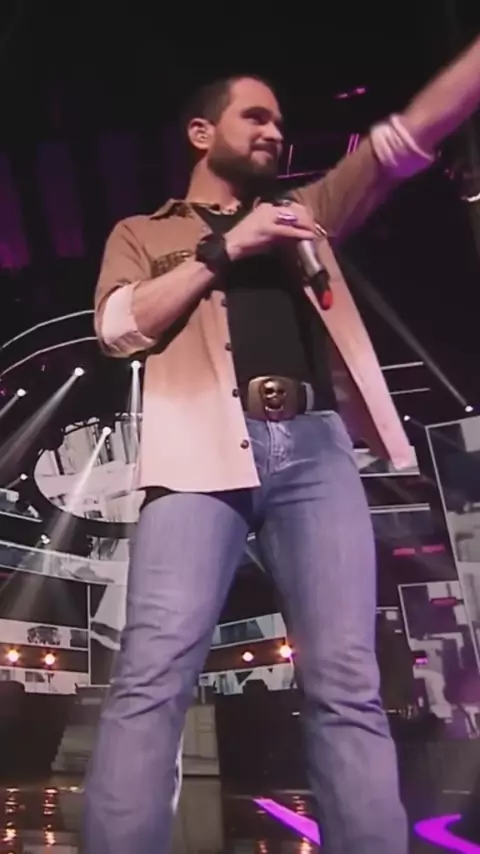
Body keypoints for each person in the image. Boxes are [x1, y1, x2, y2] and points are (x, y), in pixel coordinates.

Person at [84, 36, 480, 854]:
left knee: (348, 683)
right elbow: (118, 327)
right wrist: (226, 248)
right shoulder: (142, 230)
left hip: (315, 452)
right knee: (151, 679)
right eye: (255, 117)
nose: (275, 131)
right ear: (202, 133)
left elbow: (405, 139)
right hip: (195, 458)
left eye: (279, 122)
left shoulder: (308, 212)